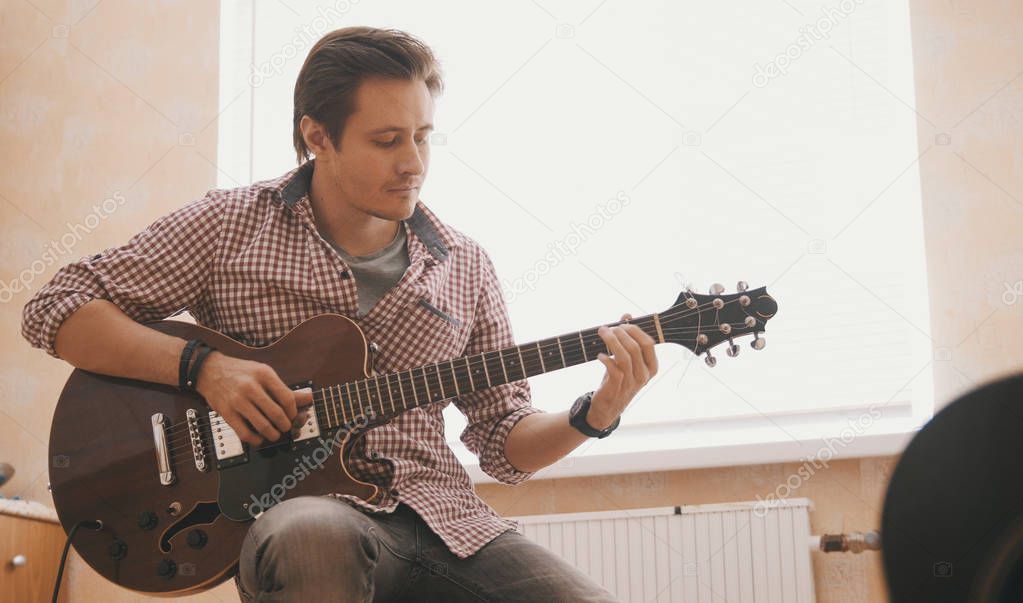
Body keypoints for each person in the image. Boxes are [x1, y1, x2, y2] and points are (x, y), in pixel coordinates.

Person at [22, 26, 658, 602]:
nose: (413, 163)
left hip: (445, 525)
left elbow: (502, 445)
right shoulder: (227, 227)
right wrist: (206, 368)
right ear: (316, 135)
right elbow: (56, 308)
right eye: (386, 141)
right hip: (304, 516)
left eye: (422, 137)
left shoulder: (465, 264)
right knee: (312, 532)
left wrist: (594, 415)